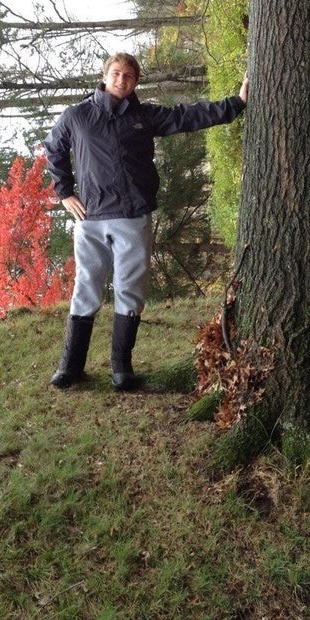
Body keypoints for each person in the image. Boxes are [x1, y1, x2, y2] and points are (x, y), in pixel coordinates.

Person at [44, 51, 248, 391]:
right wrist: (65, 192)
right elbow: (54, 149)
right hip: (91, 218)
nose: (121, 80)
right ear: (105, 76)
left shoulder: (143, 116)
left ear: (135, 81)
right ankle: (70, 366)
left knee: (129, 290)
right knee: (86, 288)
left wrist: (235, 105)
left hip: (133, 216)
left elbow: (187, 116)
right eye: (116, 74)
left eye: (129, 76)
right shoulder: (77, 116)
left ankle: (121, 367)